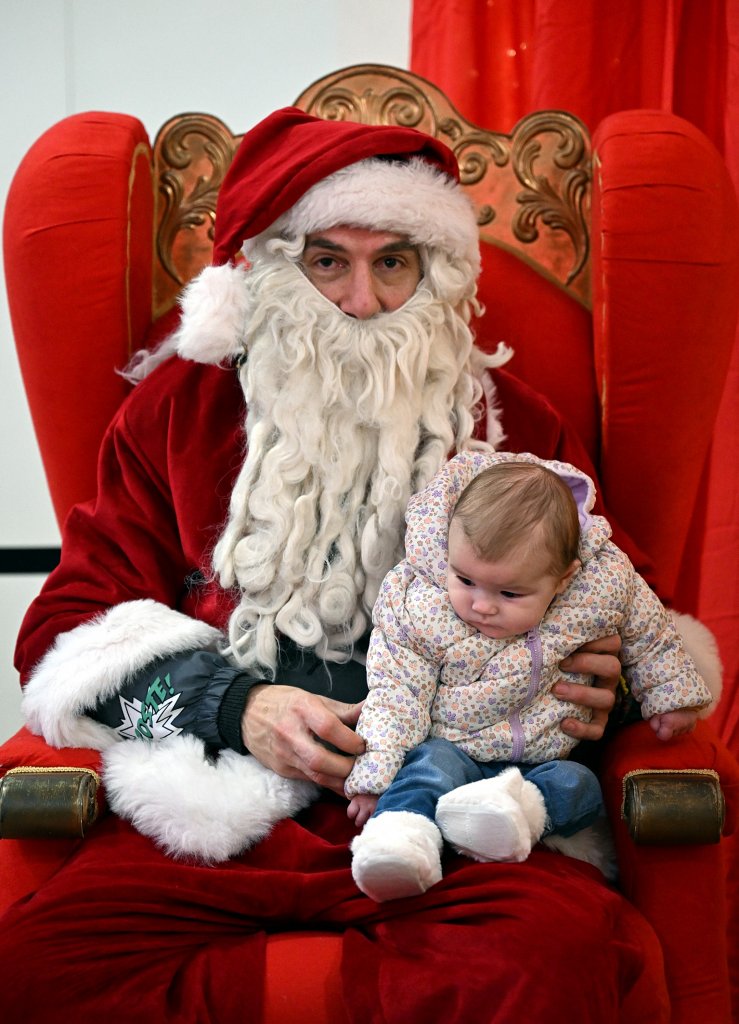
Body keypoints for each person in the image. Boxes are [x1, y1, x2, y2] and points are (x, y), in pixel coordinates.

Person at [0, 106, 705, 1023]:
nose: (363, 303)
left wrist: (605, 676)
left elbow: (629, 609)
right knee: (40, 968)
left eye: (393, 263)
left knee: (550, 962)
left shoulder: (515, 425)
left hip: (460, 817)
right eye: (328, 262)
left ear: (436, 271)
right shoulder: (177, 412)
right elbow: (68, 631)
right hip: (214, 807)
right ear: (271, 270)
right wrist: (236, 708)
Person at [346, 453, 712, 902]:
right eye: (465, 579)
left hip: (542, 761)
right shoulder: (421, 602)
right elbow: (395, 690)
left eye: (509, 592)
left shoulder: (601, 586)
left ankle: (509, 818)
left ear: (562, 579)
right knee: (428, 769)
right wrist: (374, 778)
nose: (481, 605)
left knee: (580, 786)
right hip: (456, 747)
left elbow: (650, 634)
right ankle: (400, 838)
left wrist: (671, 695)